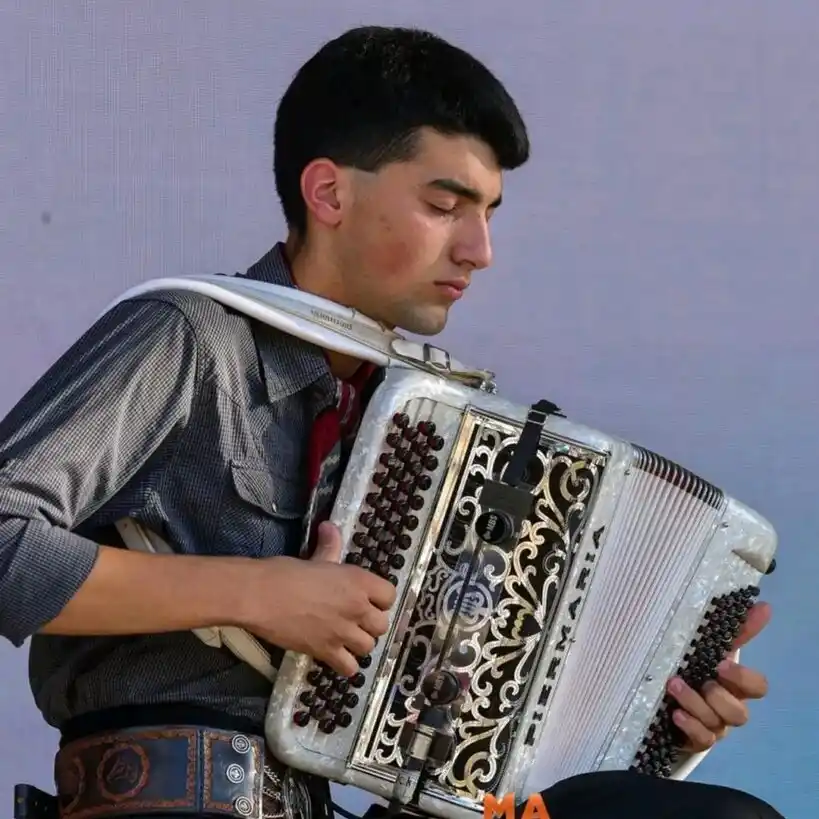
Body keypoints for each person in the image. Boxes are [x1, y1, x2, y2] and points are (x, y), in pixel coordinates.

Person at [0, 24, 784, 819]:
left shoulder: (418, 416)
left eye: (488, 214)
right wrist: (252, 591)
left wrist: (660, 716)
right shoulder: (194, 335)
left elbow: (474, 727)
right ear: (330, 194)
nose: (478, 249)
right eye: (445, 205)